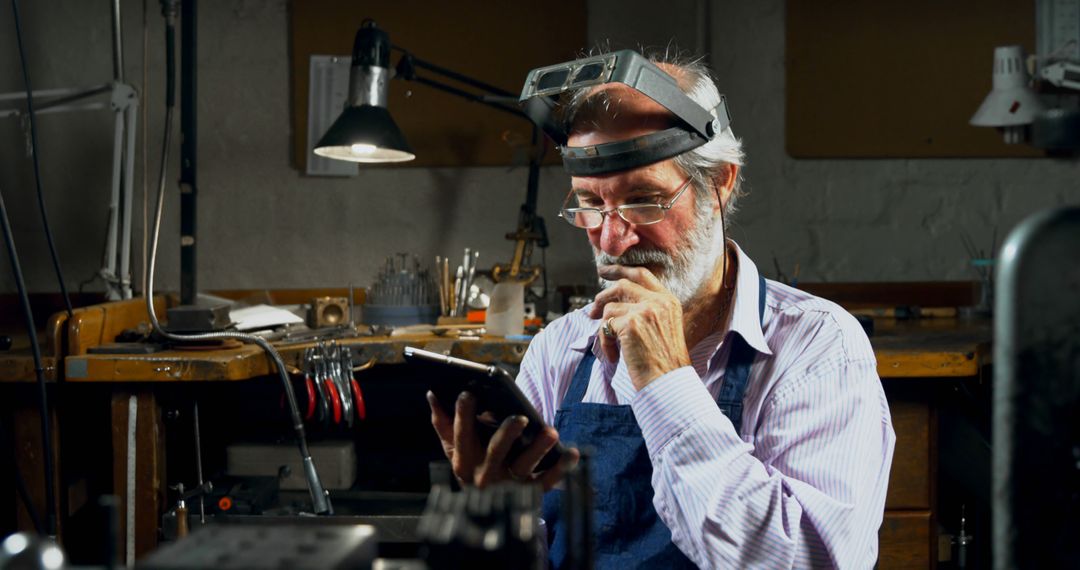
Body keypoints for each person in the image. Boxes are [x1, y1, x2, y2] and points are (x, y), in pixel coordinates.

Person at [428, 50, 896, 569]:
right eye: (589, 204)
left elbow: (812, 561)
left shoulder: (818, 349)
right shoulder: (559, 350)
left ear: (720, 182)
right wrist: (498, 512)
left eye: (644, 200)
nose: (613, 238)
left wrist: (669, 383)